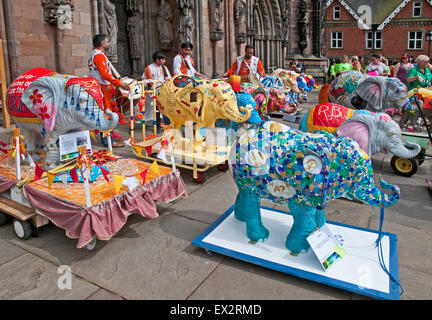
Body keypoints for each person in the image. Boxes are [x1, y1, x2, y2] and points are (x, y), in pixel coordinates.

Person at [88, 34, 130, 147]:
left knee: (104, 113)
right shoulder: (99, 56)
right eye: (107, 42)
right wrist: (119, 83)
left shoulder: (95, 54)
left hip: (99, 86)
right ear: (102, 43)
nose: (109, 44)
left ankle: (108, 139)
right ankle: (108, 141)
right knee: (107, 113)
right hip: (102, 87)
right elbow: (105, 75)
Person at [142, 51, 172, 127]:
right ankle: (161, 125)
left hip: (164, 91)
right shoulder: (149, 68)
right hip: (154, 91)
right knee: (158, 109)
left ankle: (164, 125)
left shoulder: (164, 67)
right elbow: (144, 80)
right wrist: (148, 85)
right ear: (157, 59)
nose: (164, 61)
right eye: (163, 59)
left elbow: (169, 78)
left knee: (163, 108)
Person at [402, 55, 432, 131]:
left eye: (428, 61)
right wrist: (416, 77)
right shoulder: (413, 70)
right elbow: (408, 79)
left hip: (425, 93)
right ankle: (412, 126)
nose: (428, 63)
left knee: (425, 109)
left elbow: (429, 80)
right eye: (426, 61)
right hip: (414, 93)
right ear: (420, 62)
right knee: (412, 111)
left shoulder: (427, 70)